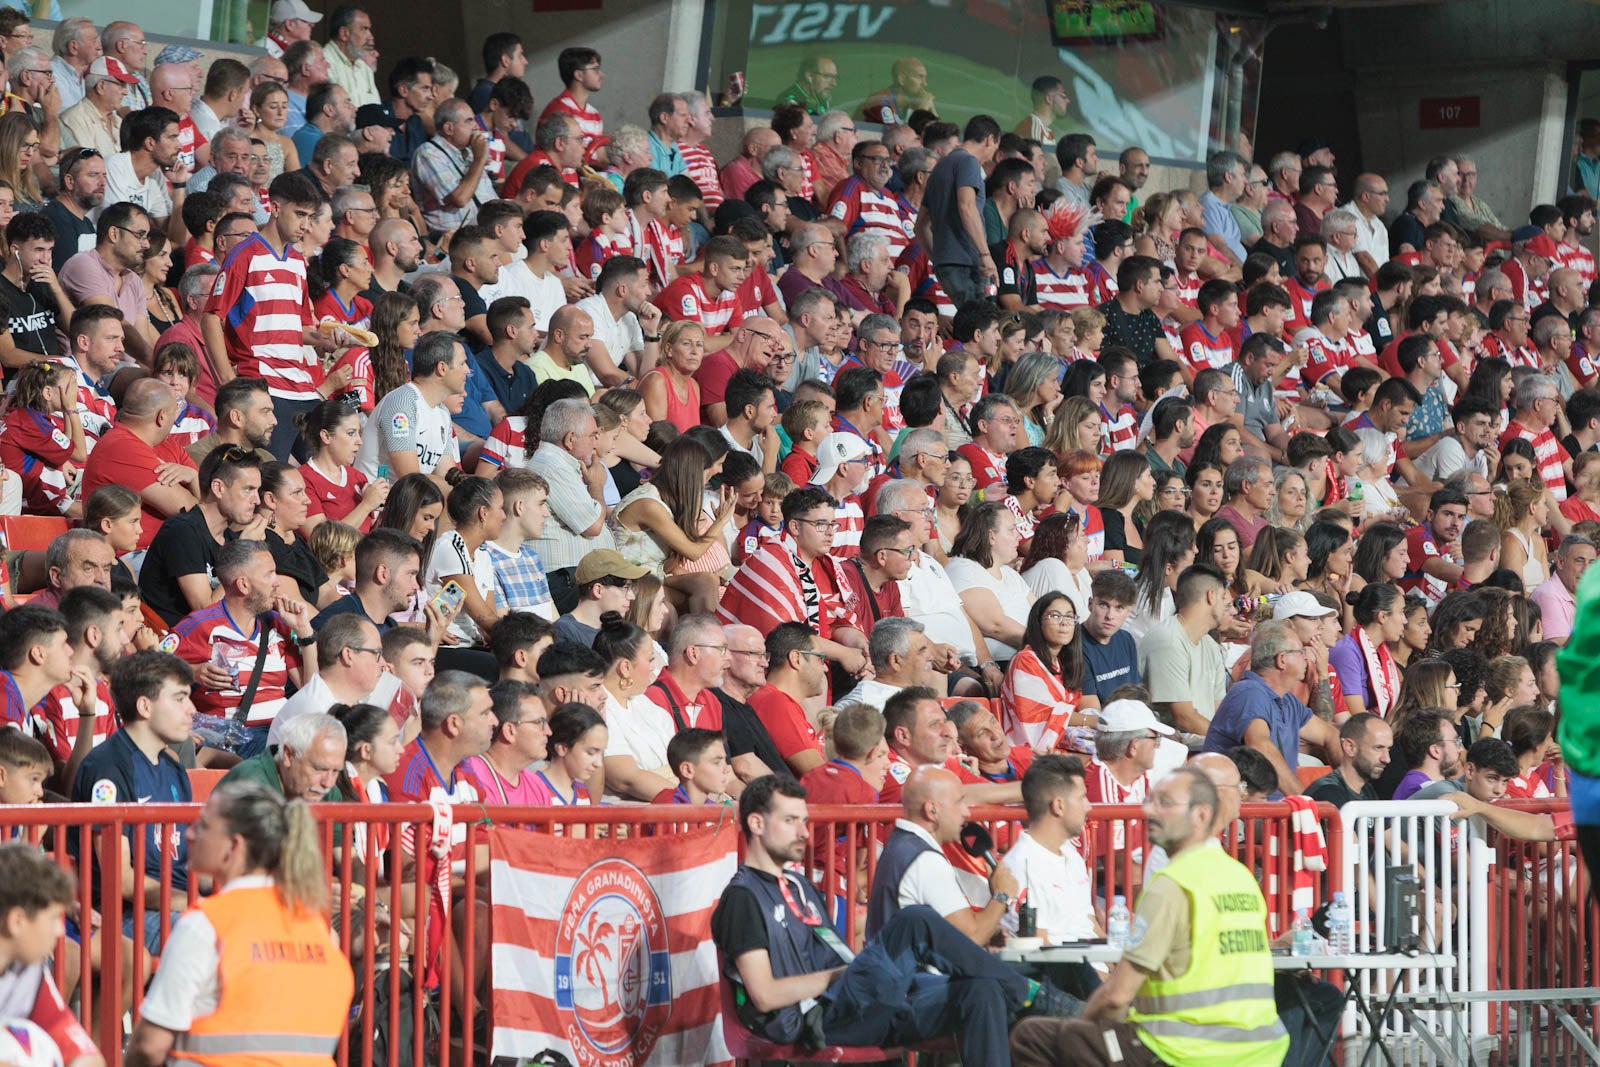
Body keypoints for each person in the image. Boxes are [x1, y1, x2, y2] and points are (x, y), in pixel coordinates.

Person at [713, 773, 1034, 1060]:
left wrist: (857, 973)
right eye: (791, 821)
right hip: (817, 1017)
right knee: (915, 920)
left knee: (981, 991)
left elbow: (834, 953)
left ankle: (1022, 992)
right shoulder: (743, 897)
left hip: (855, 1004)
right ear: (756, 824)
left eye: (804, 821)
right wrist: (839, 976)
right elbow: (765, 995)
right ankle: (1032, 995)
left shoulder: (798, 885)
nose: (804, 833)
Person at [1009, 765, 1289, 1067]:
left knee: (1031, 1036)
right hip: (1261, 1050)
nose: (1150, 810)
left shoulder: (1172, 884)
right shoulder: (1240, 876)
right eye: (1151, 800)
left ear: (1202, 815)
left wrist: (1085, 1027)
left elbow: (1116, 997)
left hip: (1182, 1052)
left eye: (1165, 803)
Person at [124, 778, 354, 1067]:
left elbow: (149, 1046)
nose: (190, 833)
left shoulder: (207, 925)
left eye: (204, 825)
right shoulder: (319, 930)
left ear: (233, 846)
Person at [170, 537, 316, 755]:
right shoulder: (199, 626)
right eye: (269, 574)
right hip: (231, 738)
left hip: (280, 730)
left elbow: (311, 692)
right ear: (243, 584)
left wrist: (305, 634)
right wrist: (191, 672)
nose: (278, 582)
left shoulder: (278, 624)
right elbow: (147, 673)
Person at [1204, 620, 1340, 796]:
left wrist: (1348, 790)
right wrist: (1307, 804)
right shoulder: (1249, 692)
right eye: (1300, 652)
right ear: (1282, 660)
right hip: (1243, 815)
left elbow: (1329, 735)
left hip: (1275, 814)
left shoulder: (1288, 700)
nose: (1306, 657)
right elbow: (1261, 746)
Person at [1305, 712, 1394, 807]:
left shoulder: (1367, 790)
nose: (1387, 759)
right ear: (1350, 747)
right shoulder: (1327, 793)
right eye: (1378, 748)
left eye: (1388, 749)